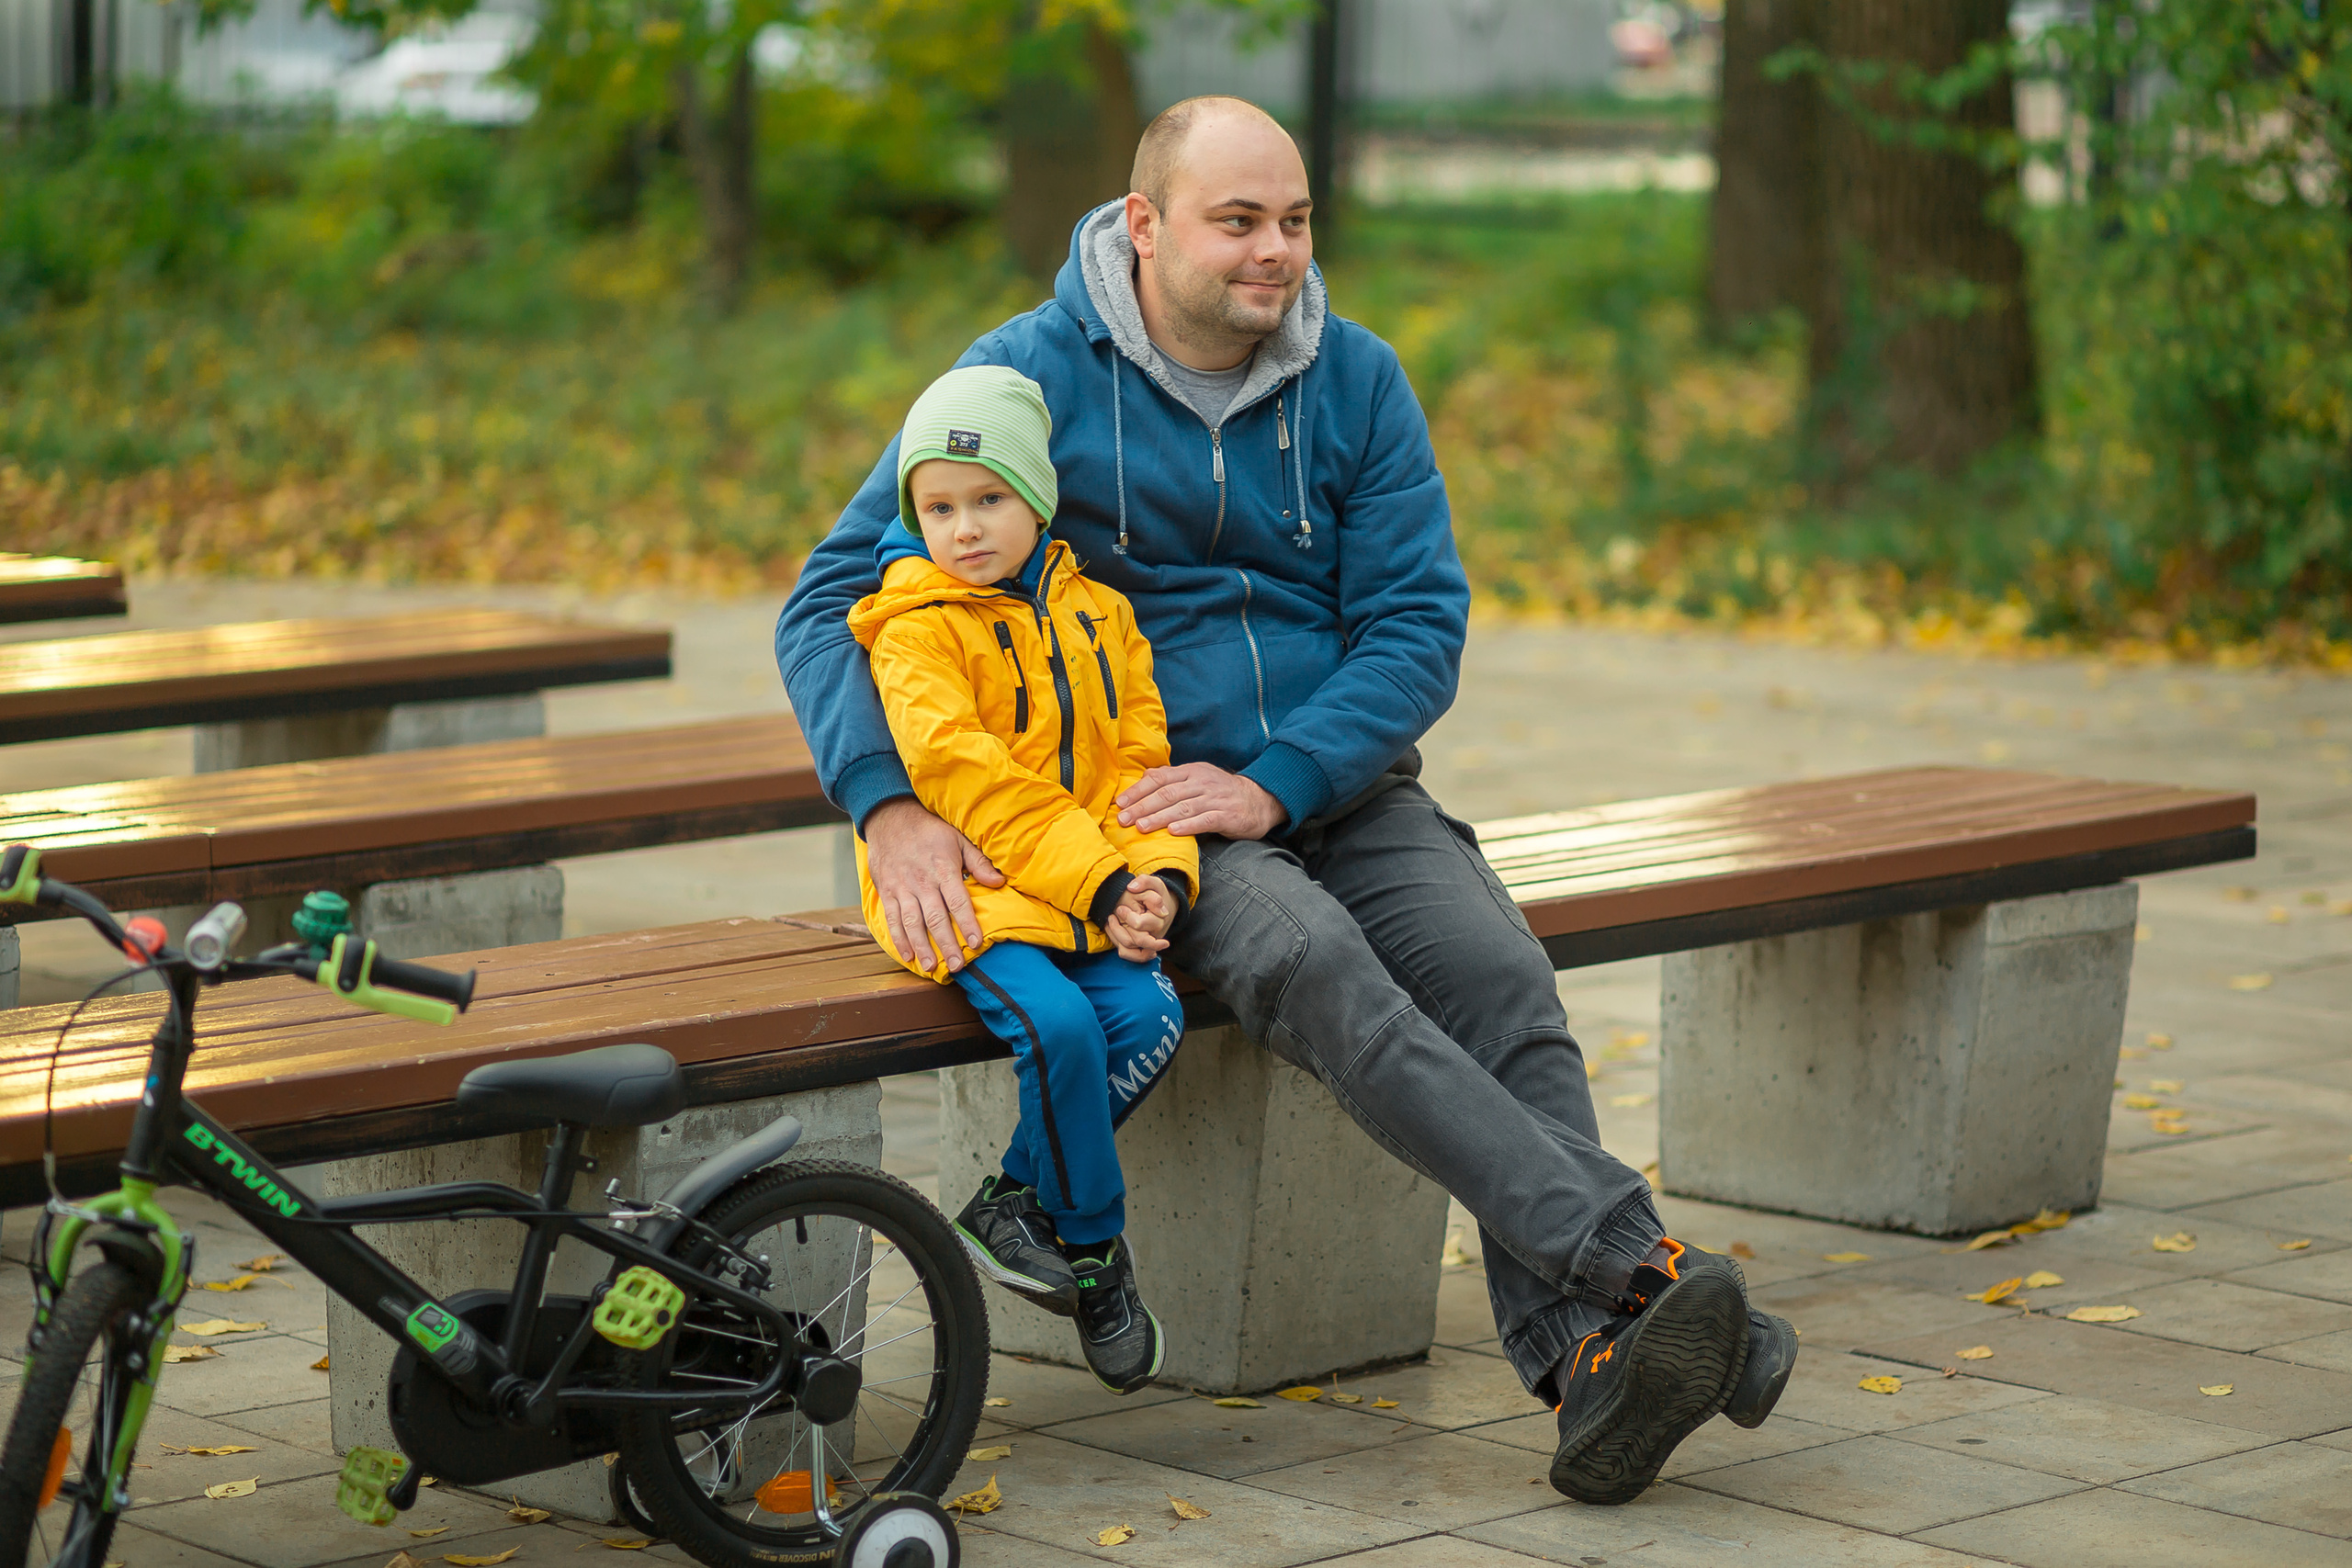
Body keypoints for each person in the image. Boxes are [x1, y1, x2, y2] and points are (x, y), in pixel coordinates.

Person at [779, 95, 1799, 1503]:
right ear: (1145, 226)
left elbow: (1416, 626)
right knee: (1318, 965)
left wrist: (1280, 778)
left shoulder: (1359, 378)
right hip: (1148, 821)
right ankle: (1645, 1264)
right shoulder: (1024, 378)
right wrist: (890, 804)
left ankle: (1591, 1364)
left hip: (1340, 784)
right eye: (1240, 222)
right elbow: (833, 595)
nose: (1279, 254)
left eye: (1297, 220)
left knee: (1501, 976)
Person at [848, 363, 1197, 1395]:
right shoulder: (912, 629)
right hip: (974, 897)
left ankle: (1010, 1200)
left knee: (1150, 1020)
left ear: (1037, 498)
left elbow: (1143, 765)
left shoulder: (1103, 616)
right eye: (938, 507)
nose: (963, 528)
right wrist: (1097, 886)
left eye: (988, 499)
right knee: (1061, 1028)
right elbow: (971, 782)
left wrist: (1157, 882)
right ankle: (1095, 1254)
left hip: (1085, 889)